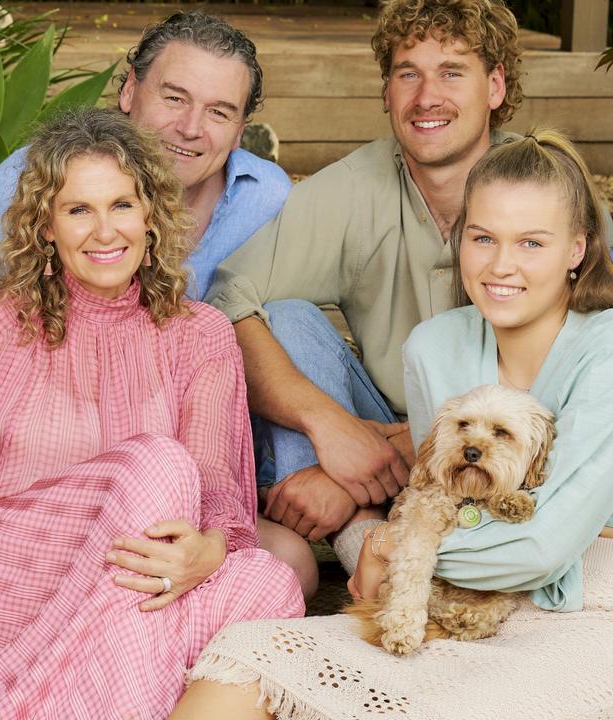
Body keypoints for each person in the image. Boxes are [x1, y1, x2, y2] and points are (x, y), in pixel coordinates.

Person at [172, 129, 613, 720]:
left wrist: (393, 550)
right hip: (457, 602)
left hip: (610, 612)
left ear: (577, 249)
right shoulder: (434, 348)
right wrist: (396, 550)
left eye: (531, 242)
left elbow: (544, 545)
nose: (502, 265)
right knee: (243, 663)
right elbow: (445, 500)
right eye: (483, 238)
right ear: (459, 239)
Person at [0, 107, 304, 719]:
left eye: (121, 204)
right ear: (45, 226)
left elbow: (222, 500)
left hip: (134, 594)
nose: (104, 231)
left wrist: (211, 550)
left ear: (151, 216)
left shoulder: (202, 336)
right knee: (157, 465)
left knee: (268, 584)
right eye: (78, 210)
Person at [0, 13, 316, 594]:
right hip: (52, 447)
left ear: (240, 127)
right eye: (174, 97)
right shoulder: (52, 171)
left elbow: (265, 332)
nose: (189, 128)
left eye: (219, 112)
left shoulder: (267, 197)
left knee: (290, 567)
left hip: (192, 455)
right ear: (130, 89)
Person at [203, 0, 522, 577]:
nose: (427, 96)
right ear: (387, 93)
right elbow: (225, 302)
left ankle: (357, 522)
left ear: (495, 86)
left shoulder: (544, 187)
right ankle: (365, 554)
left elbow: (569, 374)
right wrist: (330, 425)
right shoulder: (356, 185)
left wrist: (358, 470)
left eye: (452, 71)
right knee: (285, 318)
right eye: (408, 73)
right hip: (375, 423)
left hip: (496, 447)